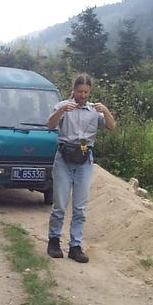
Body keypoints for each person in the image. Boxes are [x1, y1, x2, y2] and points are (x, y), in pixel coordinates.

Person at [46, 74, 115, 263]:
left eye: (86, 92)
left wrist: (106, 112)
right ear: (74, 90)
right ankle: (54, 241)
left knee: (80, 207)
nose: (83, 95)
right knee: (60, 203)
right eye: (79, 91)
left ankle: (75, 246)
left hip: (84, 158)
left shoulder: (94, 111)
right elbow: (49, 125)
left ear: (89, 91)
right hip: (64, 158)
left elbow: (111, 127)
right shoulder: (63, 106)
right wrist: (61, 111)